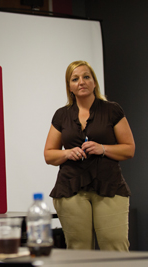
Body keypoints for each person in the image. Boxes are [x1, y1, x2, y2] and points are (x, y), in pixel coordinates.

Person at [44, 60, 135, 251]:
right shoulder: (62, 115)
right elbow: (49, 155)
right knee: (78, 250)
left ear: (94, 82)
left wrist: (103, 148)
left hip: (109, 187)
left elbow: (129, 149)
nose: (81, 82)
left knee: (115, 247)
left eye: (86, 77)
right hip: (71, 189)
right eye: (75, 79)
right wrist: (68, 153)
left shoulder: (112, 110)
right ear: (69, 86)